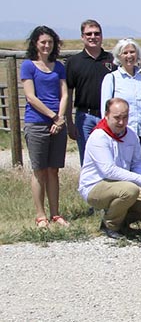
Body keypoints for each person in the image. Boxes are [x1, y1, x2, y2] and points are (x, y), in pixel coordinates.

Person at [78, 98, 141, 239]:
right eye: (117, 118)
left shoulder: (130, 135)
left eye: (125, 117)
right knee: (130, 190)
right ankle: (110, 225)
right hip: (95, 186)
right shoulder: (99, 136)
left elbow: (137, 162)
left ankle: (121, 223)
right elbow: (108, 171)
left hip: (122, 185)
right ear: (106, 115)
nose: (121, 122)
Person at [22, 26, 70, 229]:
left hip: (57, 124)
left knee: (53, 171)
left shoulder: (58, 66)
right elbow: (30, 96)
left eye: (50, 42)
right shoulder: (28, 66)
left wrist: (60, 119)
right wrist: (52, 117)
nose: (47, 46)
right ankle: (40, 215)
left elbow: (64, 94)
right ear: (35, 43)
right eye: (43, 42)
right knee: (39, 170)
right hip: (37, 122)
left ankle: (55, 213)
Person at [65, 19, 116, 165]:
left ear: (102, 36)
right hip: (85, 117)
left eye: (96, 33)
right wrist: (69, 121)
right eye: (89, 34)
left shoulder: (112, 60)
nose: (93, 37)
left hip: (108, 117)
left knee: (110, 157)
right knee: (87, 159)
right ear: (82, 37)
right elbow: (68, 93)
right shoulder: (74, 62)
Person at [100, 38, 141, 160]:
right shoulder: (111, 78)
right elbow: (104, 109)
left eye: (132, 52)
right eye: (125, 53)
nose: (129, 56)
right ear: (118, 56)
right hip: (120, 133)